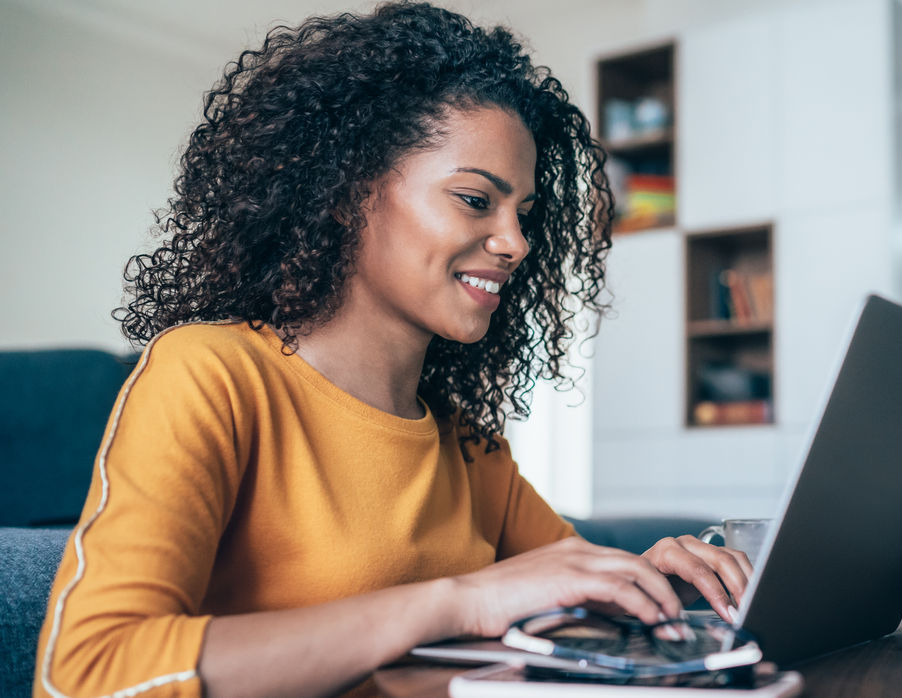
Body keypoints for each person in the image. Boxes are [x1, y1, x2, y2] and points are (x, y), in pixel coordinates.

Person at [34, 4, 751, 697]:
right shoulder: (210, 376)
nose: (517, 244)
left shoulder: (467, 445)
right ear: (347, 193)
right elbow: (89, 675)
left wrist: (651, 577)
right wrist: (460, 601)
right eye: (476, 200)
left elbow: (565, 589)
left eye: (524, 215)